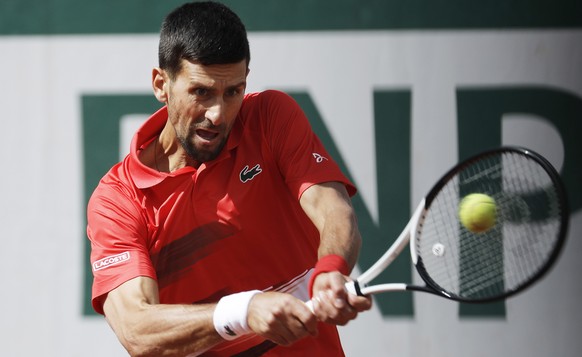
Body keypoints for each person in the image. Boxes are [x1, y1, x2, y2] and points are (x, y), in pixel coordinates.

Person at [87, 1, 372, 356]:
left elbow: (333, 210)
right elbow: (137, 330)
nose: (218, 115)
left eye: (232, 91)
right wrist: (244, 311)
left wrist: (331, 268)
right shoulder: (118, 201)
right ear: (161, 84)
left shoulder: (270, 118)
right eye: (201, 92)